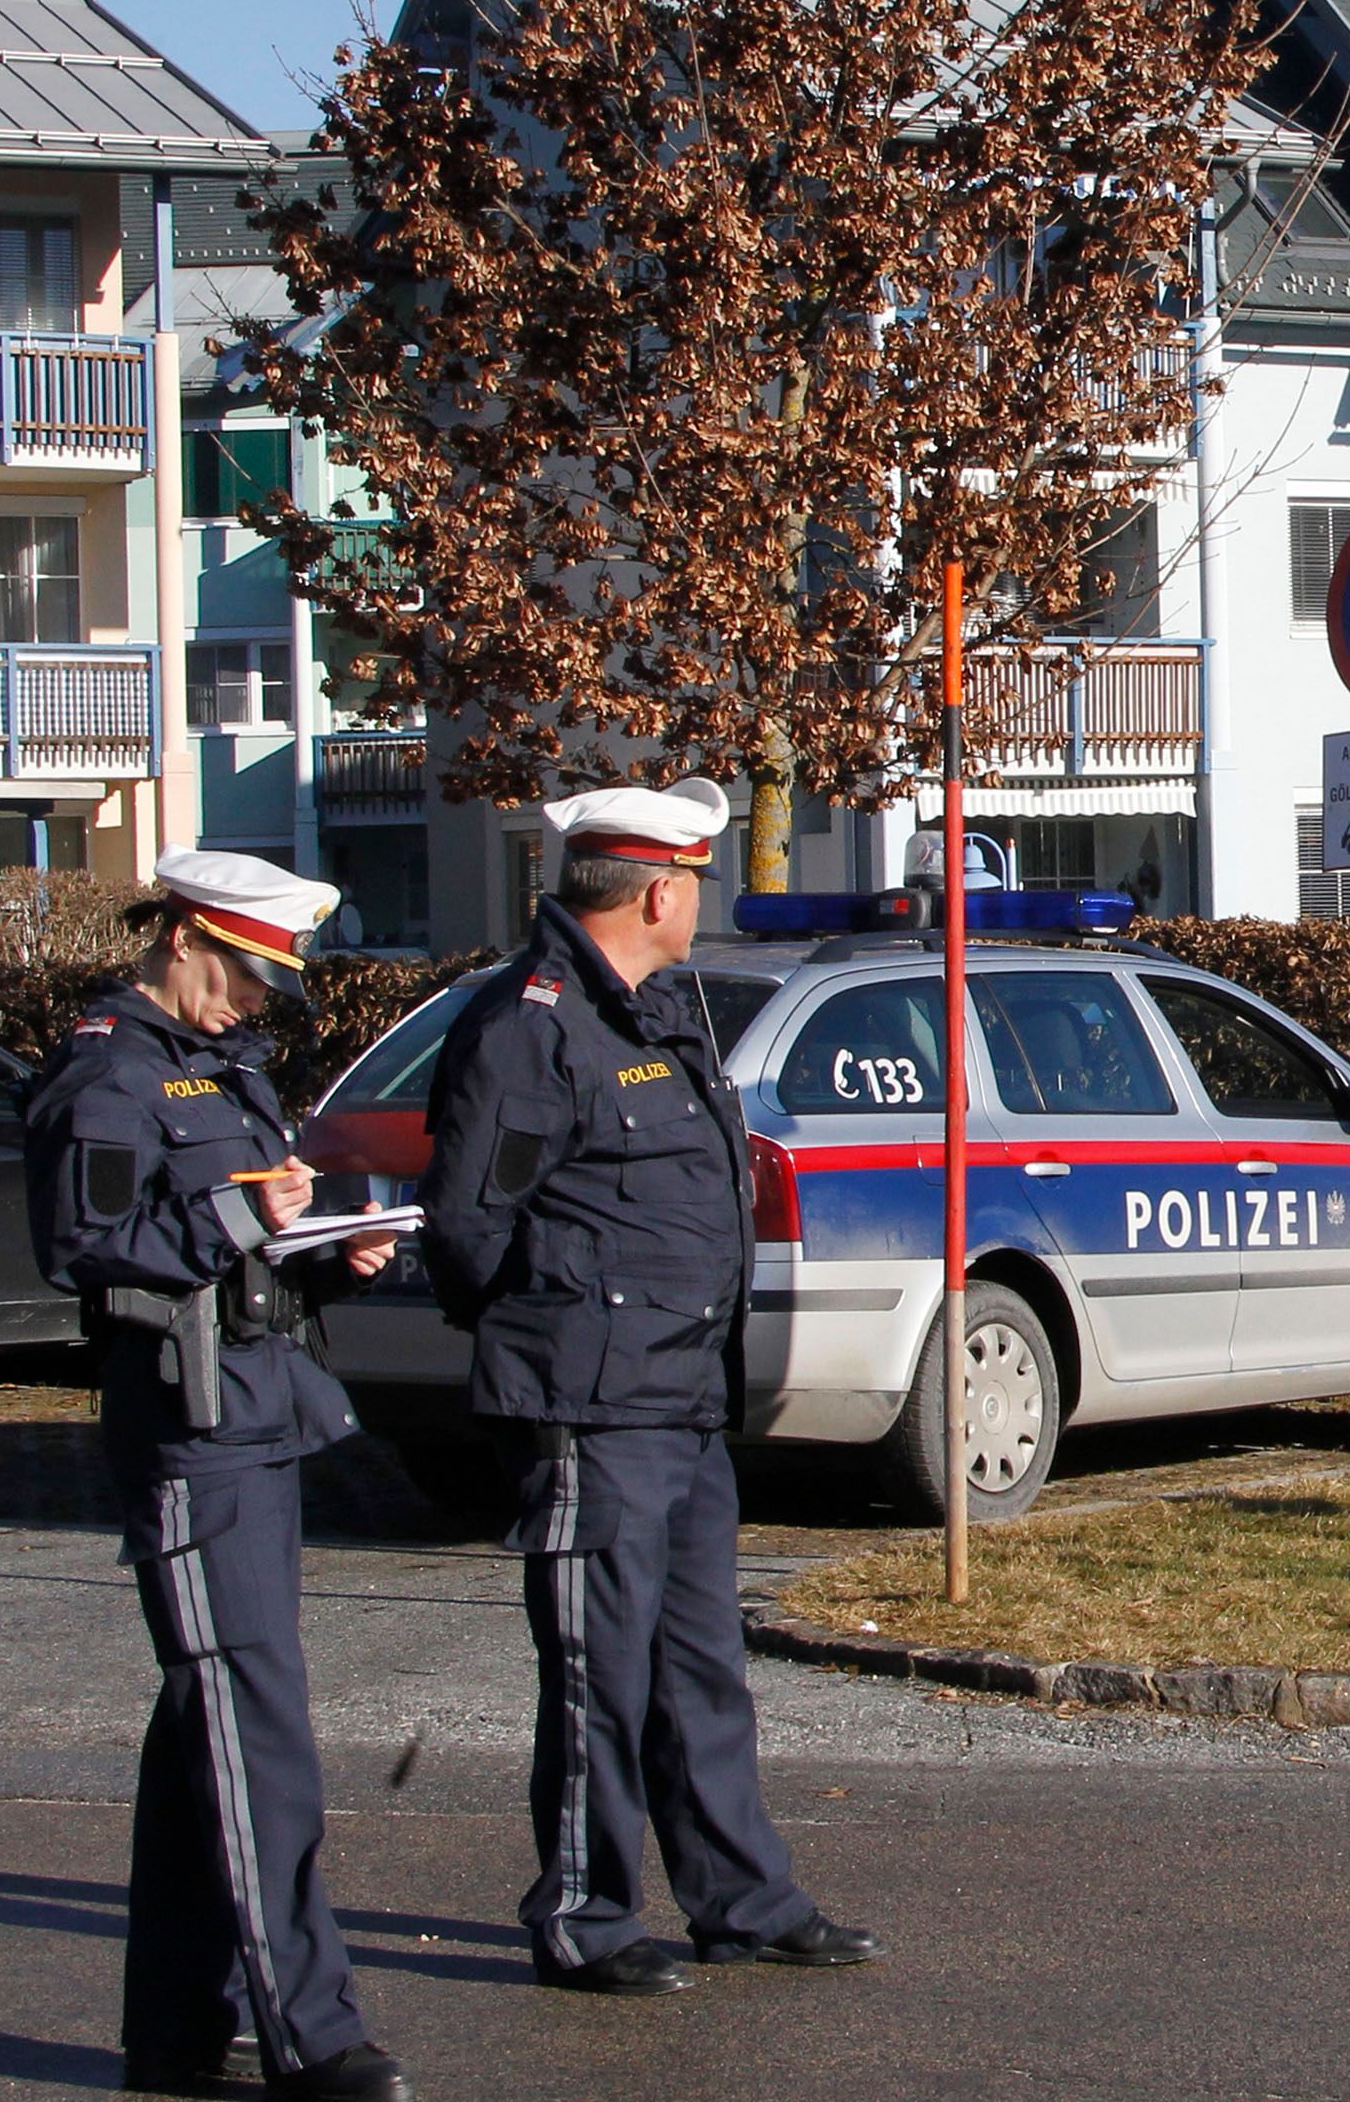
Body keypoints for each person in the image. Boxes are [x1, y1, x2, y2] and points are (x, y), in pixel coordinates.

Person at [418, 777, 880, 1996]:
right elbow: (469, 1228)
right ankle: (585, 1914)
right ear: (661, 889)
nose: (700, 901)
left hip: (679, 1397)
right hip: (589, 1403)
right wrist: (559, 1336)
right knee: (596, 1675)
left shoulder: (655, 1010)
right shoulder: (533, 1025)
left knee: (696, 1668)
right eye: (696, 883)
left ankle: (741, 1900)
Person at [22, 851, 412, 2102]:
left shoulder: (219, 1062)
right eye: (246, 975)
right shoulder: (106, 1072)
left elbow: (235, 1241)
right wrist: (244, 1221)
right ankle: (311, 2029)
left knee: (212, 1723)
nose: (256, 1004)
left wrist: (313, 1254)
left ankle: (181, 2029)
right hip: (187, 1428)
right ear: (184, 939)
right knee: (255, 1734)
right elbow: (86, 1247)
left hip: (258, 1407)